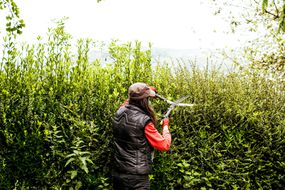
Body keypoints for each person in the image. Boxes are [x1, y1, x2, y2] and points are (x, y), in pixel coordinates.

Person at [112, 82, 172, 190]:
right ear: (144, 100)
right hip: (136, 179)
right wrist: (165, 127)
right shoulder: (144, 121)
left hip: (118, 174)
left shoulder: (119, 112)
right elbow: (164, 145)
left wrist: (147, 91)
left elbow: (129, 101)